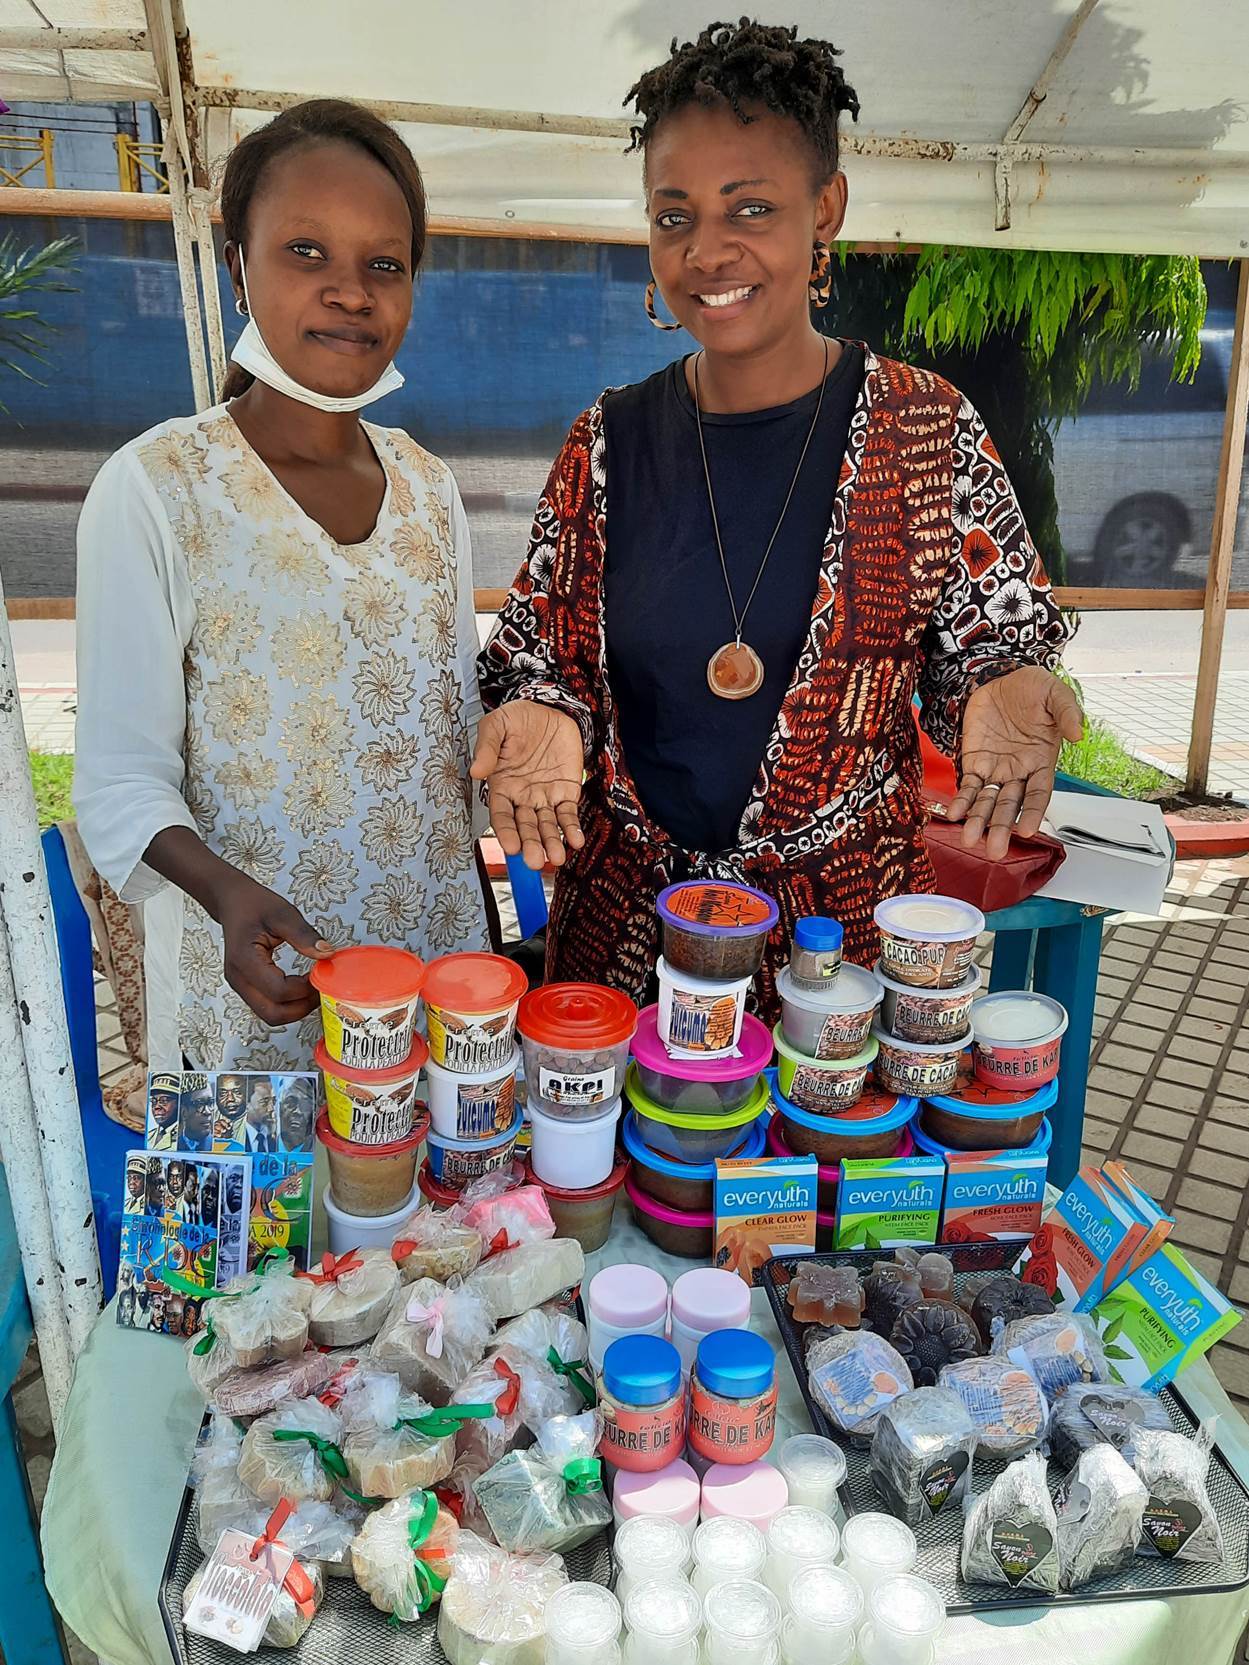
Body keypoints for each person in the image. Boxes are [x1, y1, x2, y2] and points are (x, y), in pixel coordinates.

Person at [476, 20, 1080, 1015]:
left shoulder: (925, 430)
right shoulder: (607, 446)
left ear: (825, 208)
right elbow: (541, 656)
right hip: (626, 955)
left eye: (749, 207)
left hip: (834, 967)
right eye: (674, 218)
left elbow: (983, 646)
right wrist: (537, 709)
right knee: (620, 1172)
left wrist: (1002, 676)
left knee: (831, 1169)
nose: (708, 251)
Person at [74, 98, 487, 1075]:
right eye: (307, 252)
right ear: (237, 265)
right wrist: (226, 896)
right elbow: (122, 780)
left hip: (432, 979)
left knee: (447, 1220)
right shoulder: (158, 488)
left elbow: (451, 749)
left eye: (383, 264)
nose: (350, 291)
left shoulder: (430, 488)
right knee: (285, 1229)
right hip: (256, 983)